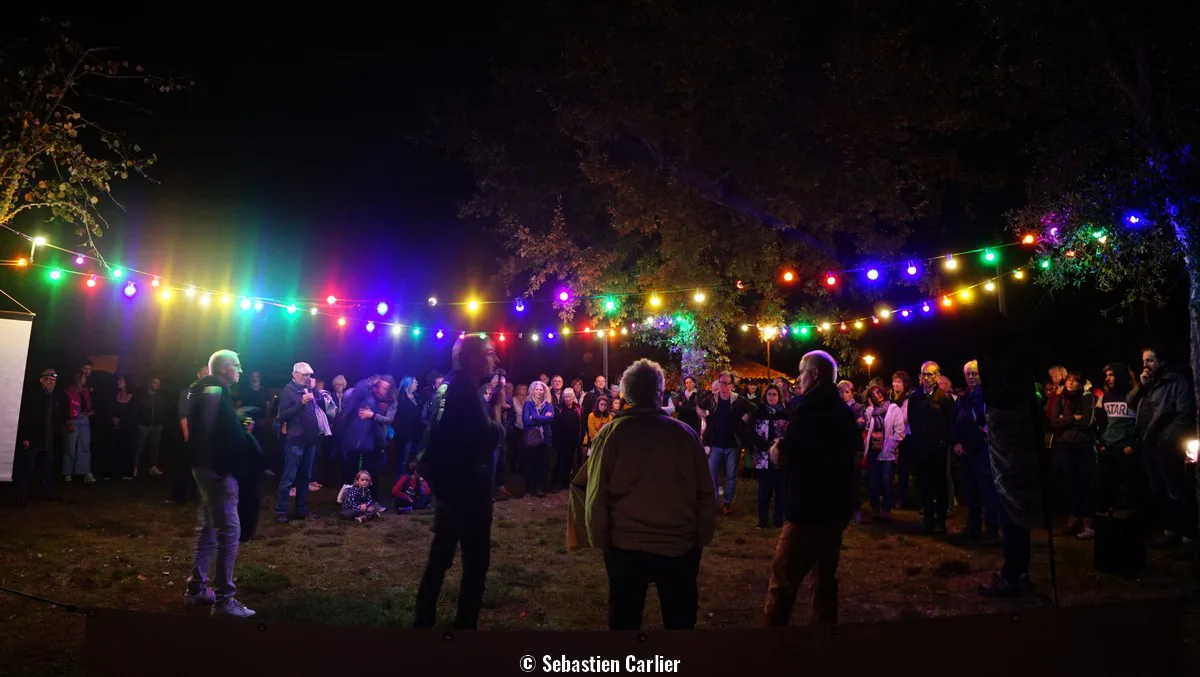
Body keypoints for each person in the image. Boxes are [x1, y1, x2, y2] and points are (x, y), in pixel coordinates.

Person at [582, 359, 716, 630]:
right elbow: (705, 492)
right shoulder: (685, 435)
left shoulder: (611, 435)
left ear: (626, 393)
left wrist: (599, 538)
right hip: (679, 547)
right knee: (680, 626)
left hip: (626, 547)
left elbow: (596, 494)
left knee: (624, 624)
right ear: (659, 392)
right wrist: (702, 537)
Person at [763, 351, 859, 626]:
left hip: (806, 508)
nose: (798, 379)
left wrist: (775, 450)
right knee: (824, 580)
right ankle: (824, 639)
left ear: (814, 374)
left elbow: (786, 453)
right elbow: (854, 457)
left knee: (783, 580)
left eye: (801, 372)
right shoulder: (844, 412)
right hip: (836, 508)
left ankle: (771, 642)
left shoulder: (808, 409)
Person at [414, 335, 503, 630]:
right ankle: (465, 629)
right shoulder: (465, 391)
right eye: (490, 353)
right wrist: (496, 409)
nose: (495, 359)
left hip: (447, 485)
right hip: (469, 490)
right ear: (473, 358)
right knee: (475, 563)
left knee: (440, 556)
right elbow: (488, 437)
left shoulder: (448, 386)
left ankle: (422, 621)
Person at [184, 349, 256, 617]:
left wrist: (238, 427)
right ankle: (225, 599)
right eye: (237, 365)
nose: (241, 371)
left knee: (209, 527)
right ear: (225, 368)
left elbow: (213, 427)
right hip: (217, 472)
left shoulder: (204, 389)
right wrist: (222, 467)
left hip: (205, 469)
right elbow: (208, 431)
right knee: (229, 531)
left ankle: (197, 588)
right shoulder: (215, 391)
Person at [1133, 345, 1197, 552]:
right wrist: (1141, 386)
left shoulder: (1176, 381)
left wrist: (1166, 438)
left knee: (1176, 490)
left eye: (1150, 360)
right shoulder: (1149, 383)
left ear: (1162, 362)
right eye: (1144, 360)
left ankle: (1187, 538)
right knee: (1159, 490)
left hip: (1166, 445)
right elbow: (1130, 402)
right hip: (1148, 444)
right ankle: (1170, 533)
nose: (1146, 365)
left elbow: (1185, 413)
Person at [950, 361, 999, 543]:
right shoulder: (964, 397)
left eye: (974, 373)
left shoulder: (986, 395)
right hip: (966, 452)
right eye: (968, 374)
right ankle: (974, 527)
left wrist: (973, 443)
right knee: (971, 492)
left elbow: (987, 423)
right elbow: (956, 421)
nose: (971, 377)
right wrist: (956, 442)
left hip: (982, 451)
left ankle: (992, 530)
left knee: (987, 492)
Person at [907, 361, 956, 535]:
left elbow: (951, 422)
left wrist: (945, 443)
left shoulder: (945, 398)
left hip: (939, 449)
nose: (926, 378)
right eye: (923, 374)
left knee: (940, 485)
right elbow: (912, 419)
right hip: (921, 448)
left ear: (937, 376)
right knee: (925, 484)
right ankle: (928, 521)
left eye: (930, 374)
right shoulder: (914, 397)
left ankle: (940, 521)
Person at [1051, 370, 1099, 539]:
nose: (1071, 383)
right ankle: (1073, 520)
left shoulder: (1088, 398)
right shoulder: (1060, 398)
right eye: (1069, 380)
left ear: (1081, 383)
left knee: (1085, 483)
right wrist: (1072, 418)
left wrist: (1064, 419)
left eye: (1075, 380)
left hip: (1084, 446)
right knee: (1069, 484)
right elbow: (1054, 421)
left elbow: (1086, 422)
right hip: (1065, 446)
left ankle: (1087, 522)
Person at [275, 362, 320, 523]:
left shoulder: (308, 389)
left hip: (310, 440)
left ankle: (300, 509)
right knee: (289, 477)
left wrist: (314, 390)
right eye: (304, 375)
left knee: (305, 477)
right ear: (294, 374)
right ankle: (281, 511)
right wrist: (301, 403)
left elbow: (319, 405)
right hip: (295, 440)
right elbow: (283, 416)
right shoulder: (288, 390)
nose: (307, 378)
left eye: (309, 375)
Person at [1095, 362, 1141, 516]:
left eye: (1111, 375)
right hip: (1109, 448)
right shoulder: (1106, 397)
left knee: (1131, 489)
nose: (1107, 378)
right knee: (1105, 486)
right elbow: (1102, 423)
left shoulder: (1134, 396)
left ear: (1120, 376)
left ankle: (1133, 523)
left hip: (1127, 449)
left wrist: (1134, 445)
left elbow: (1142, 423)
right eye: (1106, 375)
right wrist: (1102, 443)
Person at [14, 368, 63, 506]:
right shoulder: (32, 396)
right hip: (33, 438)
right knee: (27, 468)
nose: (52, 382)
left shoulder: (54, 397)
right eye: (50, 379)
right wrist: (25, 437)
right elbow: (25, 417)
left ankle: (48, 493)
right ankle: (21, 495)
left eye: (54, 380)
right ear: (42, 380)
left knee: (47, 467)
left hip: (48, 438)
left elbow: (55, 418)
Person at [703, 371, 747, 516]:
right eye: (721, 382)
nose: (723, 385)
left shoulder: (738, 400)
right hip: (716, 443)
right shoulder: (712, 399)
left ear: (731, 385)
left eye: (726, 383)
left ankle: (727, 502)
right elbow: (699, 406)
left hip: (732, 444)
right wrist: (704, 415)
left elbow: (753, 408)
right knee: (711, 472)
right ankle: (714, 500)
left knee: (731, 475)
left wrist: (746, 417)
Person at [750, 385, 789, 530]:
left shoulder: (785, 413)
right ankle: (763, 521)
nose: (772, 397)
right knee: (764, 491)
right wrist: (766, 447)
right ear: (765, 396)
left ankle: (779, 521)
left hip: (780, 458)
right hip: (763, 456)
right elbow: (752, 433)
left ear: (779, 396)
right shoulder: (758, 413)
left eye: (774, 394)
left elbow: (790, 434)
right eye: (769, 394)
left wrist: (779, 447)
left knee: (781, 491)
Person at [863, 384, 904, 521]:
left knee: (886, 481)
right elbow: (867, 427)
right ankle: (875, 507)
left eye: (878, 392)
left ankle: (886, 508)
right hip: (873, 450)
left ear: (883, 392)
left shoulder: (893, 409)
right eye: (873, 394)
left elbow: (899, 431)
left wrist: (890, 446)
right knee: (873, 480)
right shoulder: (870, 410)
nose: (877, 396)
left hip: (887, 451)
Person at [174, 365, 209, 505]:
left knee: (200, 468)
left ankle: (197, 497)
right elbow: (183, 414)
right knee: (185, 467)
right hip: (190, 435)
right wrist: (187, 436)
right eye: (205, 373)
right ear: (198, 375)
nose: (207, 376)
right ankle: (180, 497)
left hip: (203, 437)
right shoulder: (189, 392)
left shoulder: (209, 392)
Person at [60, 369, 96, 483]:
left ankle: (85, 472)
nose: (86, 379)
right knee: (70, 447)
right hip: (73, 420)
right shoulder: (69, 392)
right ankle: (67, 472)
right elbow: (65, 408)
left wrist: (90, 412)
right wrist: (68, 421)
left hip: (84, 419)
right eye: (84, 378)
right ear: (78, 379)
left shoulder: (85, 391)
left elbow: (87, 405)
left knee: (85, 445)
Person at [522, 380, 555, 498]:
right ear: (532, 390)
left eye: (541, 389)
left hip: (545, 438)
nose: (539, 391)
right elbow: (526, 420)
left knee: (542, 464)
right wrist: (543, 418)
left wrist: (534, 417)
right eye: (537, 389)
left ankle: (538, 488)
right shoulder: (528, 403)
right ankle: (529, 488)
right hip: (531, 438)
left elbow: (551, 419)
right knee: (530, 463)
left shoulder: (548, 404)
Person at [551, 387, 584, 491]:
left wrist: (580, 438)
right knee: (559, 461)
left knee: (569, 462)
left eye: (569, 396)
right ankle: (555, 483)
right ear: (563, 397)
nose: (567, 398)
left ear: (573, 397)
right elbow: (554, 426)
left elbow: (581, 423)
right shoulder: (558, 408)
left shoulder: (578, 408)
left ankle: (565, 482)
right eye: (565, 396)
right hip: (560, 441)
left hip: (573, 441)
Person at [135, 376, 167, 476]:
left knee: (155, 448)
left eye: (158, 383)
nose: (157, 385)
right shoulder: (142, 397)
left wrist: (160, 422)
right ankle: (134, 467)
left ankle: (152, 467)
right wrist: (139, 422)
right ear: (149, 384)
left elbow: (163, 410)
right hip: (144, 425)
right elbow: (137, 410)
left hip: (156, 426)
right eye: (155, 383)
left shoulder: (160, 397)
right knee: (138, 447)